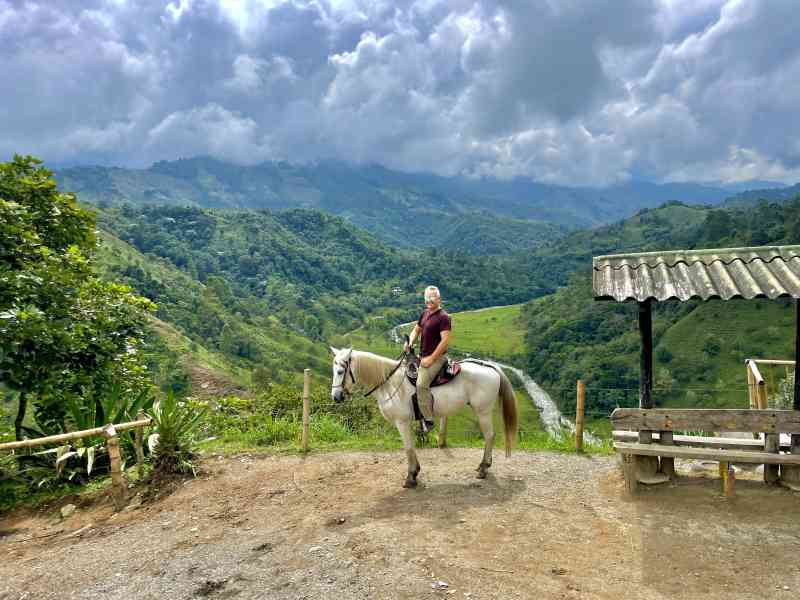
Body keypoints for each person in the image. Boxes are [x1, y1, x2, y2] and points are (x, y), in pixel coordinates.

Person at [404, 285, 451, 432]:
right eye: (426, 298)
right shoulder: (425, 314)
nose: (428, 301)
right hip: (423, 355)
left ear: (438, 299)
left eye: (431, 298)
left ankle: (428, 421)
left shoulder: (444, 317)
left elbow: (445, 342)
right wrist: (409, 342)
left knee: (421, 385)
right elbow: (416, 330)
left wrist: (430, 359)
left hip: (437, 358)